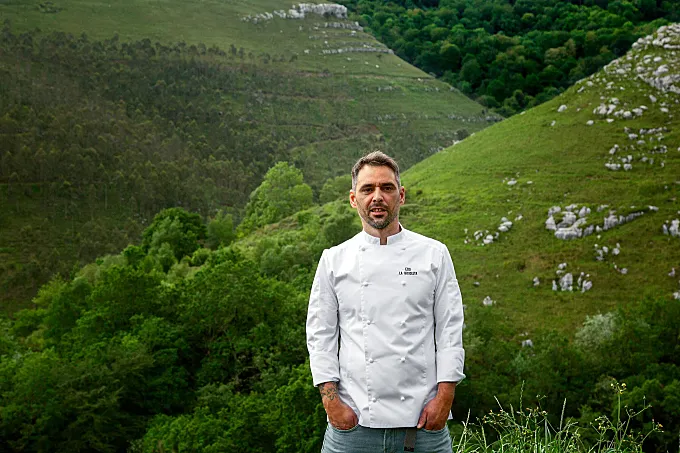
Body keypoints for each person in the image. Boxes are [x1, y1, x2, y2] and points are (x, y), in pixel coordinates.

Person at [306, 151, 465, 453]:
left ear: (401, 195)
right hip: (353, 427)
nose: (377, 197)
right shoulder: (334, 260)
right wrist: (332, 404)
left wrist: (444, 400)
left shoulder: (434, 255)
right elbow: (320, 335)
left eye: (386, 188)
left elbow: (450, 330)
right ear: (354, 199)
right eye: (368, 189)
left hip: (423, 425)